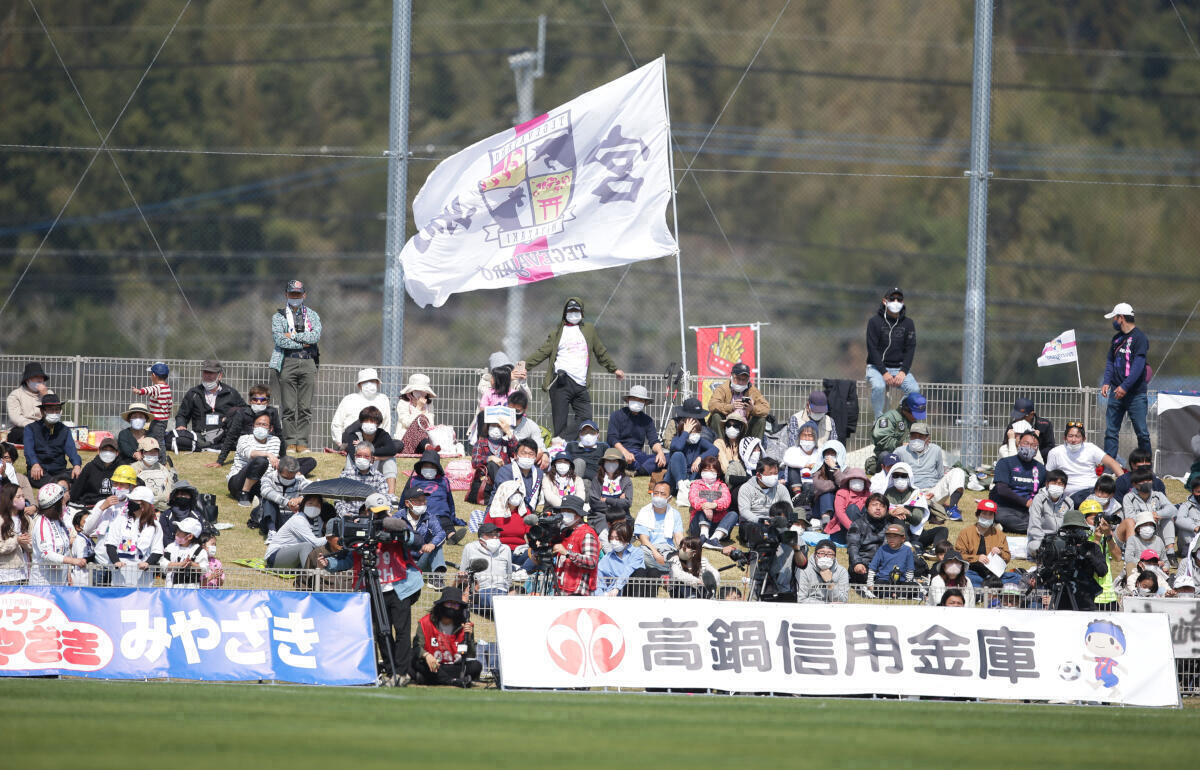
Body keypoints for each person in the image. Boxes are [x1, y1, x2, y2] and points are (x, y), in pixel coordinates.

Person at [327, 491, 421, 687]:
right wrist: (328, 563)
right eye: (376, 513)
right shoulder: (359, 529)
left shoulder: (395, 525)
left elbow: (416, 541)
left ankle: (401, 672)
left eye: (384, 512)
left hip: (399, 587)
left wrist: (400, 531)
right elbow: (346, 559)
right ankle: (389, 669)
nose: (380, 516)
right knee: (380, 631)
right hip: (372, 587)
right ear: (367, 511)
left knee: (402, 630)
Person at [522, 296, 625, 440]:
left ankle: (560, 440)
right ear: (565, 313)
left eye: (577, 310)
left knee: (585, 418)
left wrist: (614, 369)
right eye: (570, 310)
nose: (574, 313)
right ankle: (560, 452)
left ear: (582, 313)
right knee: (560, 422)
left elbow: (600, 351)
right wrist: (524, 366)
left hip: (581, 384)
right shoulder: (557, 333)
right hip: (561, 382)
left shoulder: (589, 330)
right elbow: (542, 352)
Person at [270, 279, 322, 453]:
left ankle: (303, 442)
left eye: (298, 294)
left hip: (308, 361)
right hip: (287, 361)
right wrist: (301, 342)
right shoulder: (278, 316)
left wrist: (292, 336)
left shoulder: (312, 315)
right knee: (289, 406)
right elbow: (279, 339)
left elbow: (314, 337)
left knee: (305, 406)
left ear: (304, 295)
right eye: (292, 294)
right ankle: (290, 441)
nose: (295, 297)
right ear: (286, 295)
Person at [1101, 302, 1151, 460]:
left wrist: (1125, 386)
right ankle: (1109, 468)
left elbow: (1138, 365)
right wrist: (1106, 382)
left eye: (1114, 317)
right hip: (1116, 392)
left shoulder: (1139, 338)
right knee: (1111, 431)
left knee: (1141, 432)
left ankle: (1146, 466)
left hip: (1135, 394)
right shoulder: (1116, 339)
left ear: (1121, 318)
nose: (1113, 321)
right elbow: (1110, 362)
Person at [892, 421, 968, 521]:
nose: (916, 439)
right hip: (911, 494)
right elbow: (894, 479)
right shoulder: (900, 452)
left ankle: (952, 508)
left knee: (958, 471)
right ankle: (929, 509)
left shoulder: (935, 450)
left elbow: (940, 474)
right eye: (914, 436)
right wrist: (917, 494)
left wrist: (936, 491)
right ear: (909, 437)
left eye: (920, 436)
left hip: (932, 492)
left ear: (928, 438)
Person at [865, 287, 919, 418]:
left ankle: (895, 418)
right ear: (885, 301)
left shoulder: (908, 323)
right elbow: (872, 349)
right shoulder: (874, 322)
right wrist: (884, 372)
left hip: (899, 368)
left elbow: (910, 348)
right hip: (876, 368)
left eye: (899, 299)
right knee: (878, 386)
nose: (896, 302)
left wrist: (903, 371)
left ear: (903, 302)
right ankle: (879, 420)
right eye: (892, 299)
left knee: (914, 390)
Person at [212, 383, 292, 472]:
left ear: (268, 402)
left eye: (263, 400)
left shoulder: (272, 412)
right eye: (255, 399)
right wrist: (220, 461)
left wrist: (284, 458)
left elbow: (279, 434)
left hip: (267, 445)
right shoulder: (241, 413)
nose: (258, 402)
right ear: (250, 401)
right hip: (249, 447)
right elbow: (231, 435)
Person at [412, 587, 482, 687]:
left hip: (454, 666)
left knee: (476, 666)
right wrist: (426, 655)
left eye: (455, 605)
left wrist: (469, 637)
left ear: (460, 608)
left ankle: (432, 679)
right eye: (449, 603)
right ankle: (454, 681)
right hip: (433, 664)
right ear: (441, 604)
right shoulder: (425, 622)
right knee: (413, 661)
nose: (452, 607)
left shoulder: (465, 625)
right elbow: (416, 647)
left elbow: (470, 654)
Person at [529, 496, 598, 596]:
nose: (564, 514)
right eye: (563, 510)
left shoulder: (587, 534)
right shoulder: (564, 532)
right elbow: (557, 559)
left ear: (578, 515)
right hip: (561, 589)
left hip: (579, 592)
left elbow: (591, 561)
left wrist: (567, 553)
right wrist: (541, 557)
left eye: (568, 511)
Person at [174, 359, 245, 449]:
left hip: (224, 436)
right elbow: (182, 415)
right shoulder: (194, 393)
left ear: (219, 376)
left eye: (211, 373)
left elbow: (243, 411)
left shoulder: (231, 393)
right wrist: (181, 425)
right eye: (205, 372)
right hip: (200, 436)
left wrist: (230, 419)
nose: (207, 375)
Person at [103, 486, 164, 587]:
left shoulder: (155, 526)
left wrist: (147, 563)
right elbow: (110, 544)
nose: (130, 503)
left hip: (143, 580)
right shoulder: (119, 520)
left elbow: (157, 550)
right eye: (130, 500)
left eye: (134, 501)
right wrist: (116, 561)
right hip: (120, 578)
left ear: (144, 505)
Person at [990, 430, 1048, 533]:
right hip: (1006, 507)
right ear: (1018, 444)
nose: (1029, 447)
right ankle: (1034, 528)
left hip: (1028, 511)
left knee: (1047, 518)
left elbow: (1044, 492)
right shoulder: (1005, 462)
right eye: (1026, 443)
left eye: (1034, 445)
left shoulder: (1041, 468)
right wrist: (1025, 502)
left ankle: (1010, 527)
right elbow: (1002, 490)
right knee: (1001, 516)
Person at [1045, 422, 1124, 496]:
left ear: (1084, 439)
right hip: (1068, 494)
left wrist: (1123, 484)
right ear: (1065, 438)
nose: (1073, 440)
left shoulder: (1091, 448)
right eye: (1070, 436)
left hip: (1092, 491)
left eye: (1077, 436)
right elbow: (1048, 476)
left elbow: (1112, 463)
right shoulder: (1055, 452)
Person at [23, 394, 82, 488]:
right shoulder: (30, 429)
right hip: (40, 471)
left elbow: (72, 451)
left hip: (60, 471)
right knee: (37, 476)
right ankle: (62, 485)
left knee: (80, 476)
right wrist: (34, 464)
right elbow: (29, 451)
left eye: (57, 409)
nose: (54, 413)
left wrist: (77, 465)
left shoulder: (65, 430)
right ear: (42, 411)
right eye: (51, 410)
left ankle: (60, 484)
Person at [30, 483, 84, 586]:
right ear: (55, 505)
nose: (64, 504)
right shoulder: (42, 523)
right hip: (43, 584)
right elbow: (46, 553)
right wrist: (73, 561)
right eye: (61, 502)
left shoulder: (59, 521)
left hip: (60, 582)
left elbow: (65, 549)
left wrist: (68, 574)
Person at [607, 385, 666, 476]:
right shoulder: (616, 415)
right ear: (628, 400)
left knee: (669, 457)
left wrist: (660, 452)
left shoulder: (647, 420)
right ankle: (642, 469)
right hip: (619, 452)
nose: (637, 402)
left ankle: (637, 470)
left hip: (637, 455)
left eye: (641, 400)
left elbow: (653, 441)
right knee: (612, 458)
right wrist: (625, 452)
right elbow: (612, 438)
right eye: (634, 398)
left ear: (645, 403)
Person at [339, 405, 399, 493]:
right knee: (348, 457)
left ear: (378, 424)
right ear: (361, 422)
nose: (369, 423)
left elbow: (392, 450)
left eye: (372, 421)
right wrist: (374, 455)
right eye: (366, 420)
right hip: (357, 466)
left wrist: (365, 448)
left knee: (390, 459)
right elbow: (353, 454)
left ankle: (391, 495)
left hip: (376, 467)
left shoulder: (382, 434)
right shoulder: (354, 434)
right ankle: (348, 490)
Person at [264, 493, 335, 568]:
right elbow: (315, 543)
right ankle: (310, 576)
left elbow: (319, 545)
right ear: (304, 504)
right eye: (310, 503)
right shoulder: (298, 520)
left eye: (317, 505)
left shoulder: (318, 520)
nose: (313, 507)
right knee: (306, 546)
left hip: (294, 558)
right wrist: (333, 536)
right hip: (275, 557)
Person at [404, 449, 461, 541]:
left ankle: (452, 536)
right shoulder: (413, 480)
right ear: (421, 467)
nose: (428, 468)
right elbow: (405, 497)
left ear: (437, 468)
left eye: (432, 466)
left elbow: (450, 501)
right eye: (426, 466)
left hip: (441, 514)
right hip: (421, 514)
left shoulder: (444, 481)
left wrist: (452, 517)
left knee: (447, 525)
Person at [665, 399, 718, 496]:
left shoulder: (700, 441)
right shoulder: (678, 439)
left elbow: (715, 449)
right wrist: (685, 432)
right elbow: (677, 448)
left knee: (700, 465)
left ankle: (691, 487)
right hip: (677, 478)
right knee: (677, 455)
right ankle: (681, 487)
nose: (694, 434)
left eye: (697, 431)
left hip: (692, 476)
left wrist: (699, 458)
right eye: (691, 431)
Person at [225, 413, 279, 507]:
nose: (260, 427)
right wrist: (267, 454)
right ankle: (244, 494)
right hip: (239, 482)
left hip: (261, 482)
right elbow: (250, 454)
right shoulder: (244, 439)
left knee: (305, 462)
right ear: (253, 426)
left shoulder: (275, 440)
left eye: (264, 425)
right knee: (261, 461)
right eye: (258, 424)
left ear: (270, 428)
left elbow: (272, 466)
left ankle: (259, 495)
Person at [706, 362, 771, 439]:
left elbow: (766, 408)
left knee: (761, 420)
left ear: (748, 380)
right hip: (726, 426)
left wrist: (752, 409)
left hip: (745, 429)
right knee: (716, 416)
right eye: (738, 379)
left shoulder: (753, 391)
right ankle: (721, 445)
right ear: (732, 376)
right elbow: (712, 405)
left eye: (744, 380)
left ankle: (754, 447)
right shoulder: (722, 389)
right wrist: (730, 407)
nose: (740, 382)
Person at [954, 499, 1011, 586]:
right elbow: (958, 555)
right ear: (977, 514)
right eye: (984, 513)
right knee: (966, 577)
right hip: (972, 571)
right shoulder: (965, 533)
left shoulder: (1000, 535)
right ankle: (991, 587)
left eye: (990, 514)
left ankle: (987, 586)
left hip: (993, 573)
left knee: (1015, 577)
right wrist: (976, 558)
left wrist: (1000, 553)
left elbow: (1007, 557)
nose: (987, 517)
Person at [459, 522, 512, 614]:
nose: (495, 537)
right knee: (495, 601)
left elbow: (509, 574)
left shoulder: (506, 549)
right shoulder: (470, 548)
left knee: (520, 593)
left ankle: (479, 608)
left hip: (502, 589)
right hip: (482, 589)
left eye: (497, 534)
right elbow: (463, 571)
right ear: (481, 537)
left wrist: (506, 587)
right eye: (491, 534)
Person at [1119, 467, 1177, 550]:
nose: (1146, 483)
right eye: (1142, 481)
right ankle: (1134, 550)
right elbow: (1130, 517)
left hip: (1156, 532)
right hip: (1139, 531)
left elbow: (1173, 510)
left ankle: (1170, 552)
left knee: (1168, 518)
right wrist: (1149, 517)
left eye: (1149, 480)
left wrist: (1158, 514)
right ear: (1134, 484)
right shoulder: (1128, 497)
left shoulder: (1158, 495)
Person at [467, 410, 518, 505]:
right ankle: (504, 493)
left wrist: (509, 433)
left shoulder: (505, 444)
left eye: (499, 427)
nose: (496, 429)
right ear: (488, 427)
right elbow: (475, 462)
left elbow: (518, 452)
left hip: (505, 476)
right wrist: (490, 458)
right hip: (487, 481)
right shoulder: (481, 443)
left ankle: (504, 492)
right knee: (492, 464)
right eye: (493, 425)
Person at [594, 519, 656, 597]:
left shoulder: (636, 553)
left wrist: (617, 587)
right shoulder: (607, 558)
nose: (614, 541)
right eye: (611, 538)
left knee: (642, 572)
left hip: (632, 590)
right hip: (614, 596)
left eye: (617, 538)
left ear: (626, 538)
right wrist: (601, 594)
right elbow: (598, 579)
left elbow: (628, 570)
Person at [737, 456, 790, 544]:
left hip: (774, 522)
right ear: (758, 475)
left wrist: (792, 522)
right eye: (770, 474)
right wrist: (761, 521)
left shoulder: (781, 488)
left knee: (791, 535)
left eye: (775, 473)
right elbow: (744, 511)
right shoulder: (746, 488)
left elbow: (789, 508)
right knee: (754, 530)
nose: (774, 477)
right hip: (753, 522)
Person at [634, 481, 685, 573]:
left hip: (668, 549)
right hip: (649, 549)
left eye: (662, 494)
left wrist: (684, 550)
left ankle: (667, 569)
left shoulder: (675, 514)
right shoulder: (644, 512)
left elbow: (678, 537)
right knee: (639, 554)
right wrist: (656, 554)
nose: (658, 496)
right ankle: (670, 570)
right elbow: (644, 539)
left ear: (669, 498)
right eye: (656, 493)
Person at [869, 393, 926, 474]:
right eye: (915, 414)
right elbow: (881, 439)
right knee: (885, 455)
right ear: (906, 409)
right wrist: (901, 445)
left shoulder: (912, 422)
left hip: (908, 455)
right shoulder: (889, 418)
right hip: (891, 454)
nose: (916, 417)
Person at [687, 456, 736, 548]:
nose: (708, 473)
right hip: (698, 525)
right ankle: (703, 536)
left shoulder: (722, 486)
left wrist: (714, 505)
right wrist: (704, 506)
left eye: (712, 471)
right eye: (705, 470)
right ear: (701, 471)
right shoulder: (696, 484)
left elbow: (726, 500)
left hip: (717, 526)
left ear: (717, 472)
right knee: (707, 499)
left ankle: (714, 539)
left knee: (733, 514)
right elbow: (693, 499)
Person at [1025, 470, 1073, 557]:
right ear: (1047, 484)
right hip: (1041, 540)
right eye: (1054, 483)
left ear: (1064, 487)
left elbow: (1070, 526)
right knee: (1036, 547)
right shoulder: (1039, 499)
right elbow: (1034, 525)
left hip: (1061, 540)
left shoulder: (1069, 502)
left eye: (1060, 484)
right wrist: (1046, 541)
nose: (1057, 486)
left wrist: (1061, 541)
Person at [401, 486, 447, 577]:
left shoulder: (430, 517)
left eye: (424, 501)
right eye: (418, 501)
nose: (422, 504)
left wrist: (431, 544)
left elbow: (441, 533)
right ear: (407, 503)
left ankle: (437, 576)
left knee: (436, 544)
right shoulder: (398, 518)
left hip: (422, 560)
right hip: (402, 562)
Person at [256, 456, 309, 534]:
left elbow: (313, 492)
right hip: (273, 517)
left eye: (292, 477)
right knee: (268, 499)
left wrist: (299, 499)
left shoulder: (300, 479)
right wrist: (287, 503)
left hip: (292, 517)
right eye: (285, 477)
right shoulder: (268, 477)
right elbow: (265, 491)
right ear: (278, 469)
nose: (289, 480)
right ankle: (272, 531)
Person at [335, 443, 390, 517]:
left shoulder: (379, 477)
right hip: (349, 516)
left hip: (371, 517)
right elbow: (338, 500)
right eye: (359, 455)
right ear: (355, 457)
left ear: (372, 458)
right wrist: (345, 515)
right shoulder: (346, 475)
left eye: (366, 456)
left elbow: (385, 499)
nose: (362, 458)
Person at [847, 493, 890, 586]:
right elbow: (852, 547)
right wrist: (857, 563)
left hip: (883, 566)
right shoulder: (857, 525)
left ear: (886, 510)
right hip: (863, 564)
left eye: (882, 506)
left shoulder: (890, 527)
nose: (878, 508)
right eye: (874, 505)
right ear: (866, 507)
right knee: (860, 574)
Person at [587, 448, 634, 533]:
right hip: (601, 515)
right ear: (603, 463)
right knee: (604, 530)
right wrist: (618, 501)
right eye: (608, 461)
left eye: (614, 461)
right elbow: (595, 503)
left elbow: (627, 503)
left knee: (623, 533)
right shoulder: (597, 480)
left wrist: (607, 500)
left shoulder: (626, 480)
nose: (611, 464)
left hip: (621, 515)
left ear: (620, 464)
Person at [6, 361, 53, 443]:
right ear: (27, 380)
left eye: (41, 377)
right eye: (36, 377)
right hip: (22, 428)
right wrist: (34, 426)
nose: (39, 380)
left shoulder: (49, 394)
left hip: (45, 426)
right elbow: (16, 418)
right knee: (25, 433)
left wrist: (46, 398)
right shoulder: (15, 395)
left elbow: (56, 414)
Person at [492, 438, 545, 510]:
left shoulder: (539, 473)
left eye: (531, 454)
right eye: (523, 453)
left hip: (529, 515)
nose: (527, 457)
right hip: (504, 512)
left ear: (536, 457)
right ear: (515, 455)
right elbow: (503, 498)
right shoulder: (505, 471)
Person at [131, 361, 172, 452]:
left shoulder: (158, 388)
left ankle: (162, 459)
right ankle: (147, 452)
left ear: (154, 375)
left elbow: (148, 390)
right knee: (150, 435)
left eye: (150, 374)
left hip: (158, 421)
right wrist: (167, 413)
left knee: (158, 440)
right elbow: (170, 404)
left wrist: (138, 391)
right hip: (163, 420)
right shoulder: (167, 387)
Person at [70, 436, 122, 509]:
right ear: (98, 451)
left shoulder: (122, 468)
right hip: (91, 506)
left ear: (117, 453)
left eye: (111, 450)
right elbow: (76, 490)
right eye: (105, 450)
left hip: (113, 507)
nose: (108, 453)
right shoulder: (89, 467)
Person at [999, 397, 1055, 461]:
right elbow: (1006, 444)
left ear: (1031, 414)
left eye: (1021, 417)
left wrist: (1032, 453)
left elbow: (1050, 447)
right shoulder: (1012, 426)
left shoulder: (1044, 425)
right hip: (1016, 458)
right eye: (1016, 416)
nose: (1017, 419)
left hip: (1038, 460)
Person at [394, 373, 437, 455]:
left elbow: (430, 425)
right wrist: (418, 408)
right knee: (420, 418)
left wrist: (424, 412)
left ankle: (428, 447)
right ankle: (427, 447)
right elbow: (407, 423)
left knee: (423, 424)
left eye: (423, 391)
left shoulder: (429, 404)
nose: (421, 393)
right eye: (418, 390)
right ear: (411, 391)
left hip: (424, 438)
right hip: (406, 441)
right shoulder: (403, 403)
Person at [795, 539, 849, 604]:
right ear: (815, 555)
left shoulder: (842, 572)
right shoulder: (804, 570)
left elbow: (842, 601)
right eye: (821, 553)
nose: (825, 556)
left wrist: (830, 583)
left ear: (834, 557)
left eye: (830, 553)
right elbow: (801, 600)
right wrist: (826, 605)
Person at [867, 523, 915, 596]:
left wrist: (908, 582)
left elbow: (910, 570)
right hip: (884, 579)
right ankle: (894, 594)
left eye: (895, 537)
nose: (891, 539)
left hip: (901, 581)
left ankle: (895, 594)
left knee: (914, 587)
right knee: (879, 586)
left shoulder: (907, 550)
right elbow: (872, 568)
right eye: (889, 537)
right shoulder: (882, 549)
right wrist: (870, 584)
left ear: (903, 538)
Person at [826, 467, 870, 545]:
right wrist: (853, 530)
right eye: (854, 479)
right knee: (852, 508)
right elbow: (840, 513)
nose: (857, 481)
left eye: (860, 479)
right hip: (842, 532)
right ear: (848, 481)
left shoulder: (869, 495)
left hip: (862, 532)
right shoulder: (841, 493)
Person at [0, 484, 32, 585]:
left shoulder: (27, 519)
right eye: (18, 497)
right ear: (8, 499)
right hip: (5, 575)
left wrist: (25, 542)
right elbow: (1, 547)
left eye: (23, 496)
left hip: (24, 573)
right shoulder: (1, 520)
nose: (22, 499)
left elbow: (33, 545)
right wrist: (16, 540)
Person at [162, 517, 207, 587]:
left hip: (191, 591)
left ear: (190, 536)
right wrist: (180, 564)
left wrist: (191, 564)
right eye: (177, 530)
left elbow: (204, 569)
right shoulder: (171, 547)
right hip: (171, 590)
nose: (177, 533)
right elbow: (163, 564)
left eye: (180, 531)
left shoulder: (199, 551)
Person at [159, 479, 204, 548]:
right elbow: (164, 538)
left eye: (185, 494)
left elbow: (199, 537)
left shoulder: (196, 515)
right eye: (180, 494)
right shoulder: (166, 515)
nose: (183, 497)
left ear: (190, 497)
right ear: (174, 497)